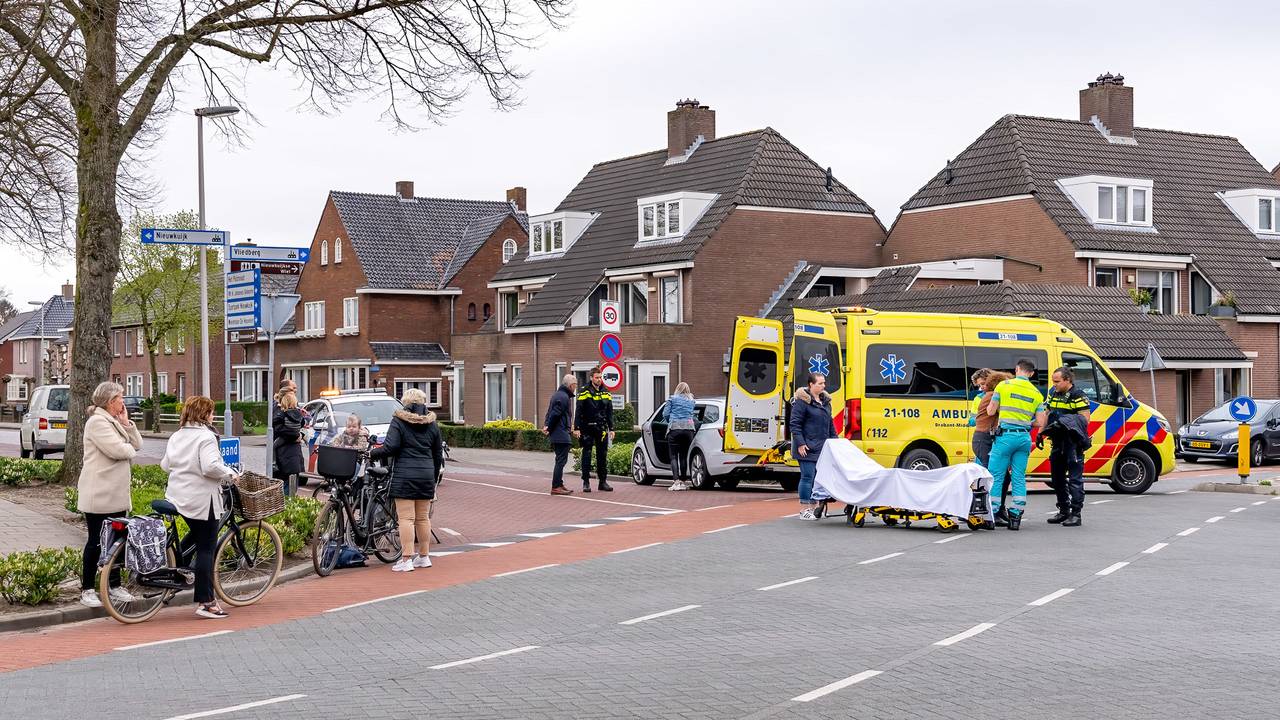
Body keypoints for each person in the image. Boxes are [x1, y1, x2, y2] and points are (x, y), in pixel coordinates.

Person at [162, 396, 239, 619]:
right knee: (207, 548)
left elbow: (165, 465)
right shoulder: (205, 437)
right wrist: (231, 475)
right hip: (201, 501)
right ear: (205, 415)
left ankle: (180, 573)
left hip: (177, 497)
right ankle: (207, 602)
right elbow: (210, 467)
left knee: (196, 536)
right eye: (211, 412)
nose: (213, 416)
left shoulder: (177, 435)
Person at [77, 381, 144, 608]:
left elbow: (137, 444)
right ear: (110, 401)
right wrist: (128, 448)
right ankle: (87, 589)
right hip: (99, 493)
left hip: (115, 494)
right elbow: (118, 450)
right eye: (120, 398)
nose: (123, 402)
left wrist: (126, 424)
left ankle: (114, 586)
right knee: (96, 542)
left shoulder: (114, 421)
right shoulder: (97, 422)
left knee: (118, 542)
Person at [371, 388, 443, 572]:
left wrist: (373, 452)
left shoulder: (399, 420)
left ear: (406, 403)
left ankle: (406, 559)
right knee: (422, 518)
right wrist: (433, 478)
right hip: (426, 475)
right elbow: (437, 454)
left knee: (406, 518)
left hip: (404, 475)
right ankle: (424, 557)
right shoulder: (432, 423)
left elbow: (390, 447)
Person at [985, 359, 1047, 531]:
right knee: (1018, 477)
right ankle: (1015, 516)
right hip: (1024, 439)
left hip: (1005, 437)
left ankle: (992, 514)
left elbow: (990, 411)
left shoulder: (1003, 386)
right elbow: (1040, 422)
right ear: (1032, 373)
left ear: (1017, 369)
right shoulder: (1036, 393)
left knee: (996, 476)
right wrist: (1025, 422)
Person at [1042, 366, 1091, 527]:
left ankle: (1076, 514)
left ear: (1067, 380)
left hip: (1073, 443)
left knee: (1075, 480)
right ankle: (1064, 510)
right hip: (1057, 442)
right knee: (1057, 478)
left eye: (1057, 381)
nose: (1054, 384)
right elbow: (1047, 412)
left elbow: (1084, 420)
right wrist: (1041, 432)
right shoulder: (1053, 393)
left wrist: (1065, 423)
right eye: (1053, 381)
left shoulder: (1078, 395)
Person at [789, 373, 837, 521]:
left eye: (824, 383)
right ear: (811, 384)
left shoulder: (825, 402)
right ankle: (804, 509)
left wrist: (835, 441)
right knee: (807, 476)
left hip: (822, 447)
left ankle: (816, 507)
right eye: (820, 383)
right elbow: (795, 424)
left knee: (818, 478)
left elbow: (830, 424)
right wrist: (801, 443)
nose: (823, 386)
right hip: (806, 447)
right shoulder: (802, 402)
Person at [575, 367, 614, 493]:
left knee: (602, 455)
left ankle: (602, 482)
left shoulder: (606, 392)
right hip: (587, 428)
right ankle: (586, 482)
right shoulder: (584, 391)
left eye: (600, 377)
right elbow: (578, 411)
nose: (599, 380)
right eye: (597, 377)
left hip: (601, 428)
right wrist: (576, 428)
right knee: (587, 454)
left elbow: (609, 412)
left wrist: (611, 428)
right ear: (591, 378)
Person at [542, 374, 578, 495]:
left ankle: (559, 483)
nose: (575, 388)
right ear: (570, 385)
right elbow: (555, 414)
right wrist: (549, 428)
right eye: (575, 385)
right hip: (560, 433)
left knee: (560, 459)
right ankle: (556, 486)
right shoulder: (563, 397)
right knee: (561, 461)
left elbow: (549, 413)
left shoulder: (558, 395)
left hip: (559, 432)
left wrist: (547, 426)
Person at [663, 383, 697, 491]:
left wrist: (671, 422)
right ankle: (683, 482)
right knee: (683, 456)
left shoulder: (672, 399)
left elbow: (665, 414)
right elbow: (692, 414)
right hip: (689, 430)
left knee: (673, 456)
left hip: (675, 429)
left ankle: (676, 482)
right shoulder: (692, 400)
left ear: (677, 389)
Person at [272, 391, 305, 496]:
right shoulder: (298, 414)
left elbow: (277, 427)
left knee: (285, 489)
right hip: (293, 458)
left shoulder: (280, 414)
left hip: (285, 458)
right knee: (291, 487)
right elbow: (303, 423)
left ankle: (273, 463)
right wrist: (298, 435)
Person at [969, 369, 995, 465]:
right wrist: (981, 418)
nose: (982, 387)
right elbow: (971, 421)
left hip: (997, 437)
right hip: (983, 438)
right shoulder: (978, 398)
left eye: (983, 383)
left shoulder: (1000, 394)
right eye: (979, 385)